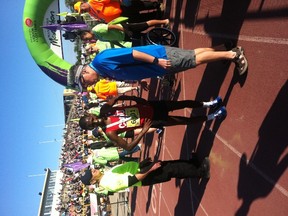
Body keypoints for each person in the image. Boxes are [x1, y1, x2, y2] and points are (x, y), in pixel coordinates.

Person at [78, 95, 226, 150]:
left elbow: (117, 97)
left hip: (150, 106)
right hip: (152, 120)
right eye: (92, 124)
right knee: (184, 121)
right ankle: (213, 116)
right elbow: (128, 147)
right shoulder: (110, 133)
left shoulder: (105, 109)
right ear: (92, 128)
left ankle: (209, 104)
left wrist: (136, 100)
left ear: (91, 114)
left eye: (92, 119)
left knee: (182, 103)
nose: (95, 121)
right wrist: (143, 131)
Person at [72, 44, 248, 89]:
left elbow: (132, 53)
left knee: (194, 59)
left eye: (84, 82)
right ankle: (223, 49)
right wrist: (139, 81)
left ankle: (234, 55)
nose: (88, 85)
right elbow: (129, 68)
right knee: (192, 55)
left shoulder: (102, 60)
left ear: (84, 71)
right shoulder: (103, 70)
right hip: (158, 64)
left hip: (160, 58)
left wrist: (157, 61)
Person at [80, 157, 211, 194]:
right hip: (144, 176)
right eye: (91, 174)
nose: (93, 171)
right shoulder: (108, 183)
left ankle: (193, 164)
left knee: (168, 164)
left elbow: (125, 170)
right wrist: (149, 170)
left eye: (90, 170)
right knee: (171, 170)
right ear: (92, 182)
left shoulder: (105, 175)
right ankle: (201, 171)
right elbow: (131, 180)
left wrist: (142, 164)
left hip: (141, 169)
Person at [80, 19, 170, 44]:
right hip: (124, 37)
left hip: (125, 29)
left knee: (145, 25)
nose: (88, 40)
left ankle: (164, 21)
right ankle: (163, 35)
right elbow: (112, 40)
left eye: (86, 38)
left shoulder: (97, 30)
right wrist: (121, 44)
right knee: (145, 37)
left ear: (87, 33)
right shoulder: (98, 37)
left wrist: (126, 30)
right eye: (86, 40)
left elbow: (112, 27)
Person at [74, 0, 162, 23]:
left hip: (121, 7)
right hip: (120, 18)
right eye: (81, 12)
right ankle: (156, 14)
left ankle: (156, 5)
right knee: (138, 19)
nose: (83, 11)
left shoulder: (93, 1)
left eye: (82, 9)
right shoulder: (90, 13)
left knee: (139, 6)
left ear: (82, 4)